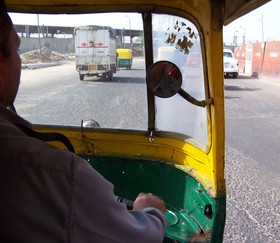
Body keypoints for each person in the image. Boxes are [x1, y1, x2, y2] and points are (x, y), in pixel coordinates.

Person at [0, 1, 166, 242]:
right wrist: (149, 211)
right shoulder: (58, 174)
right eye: (15, 50)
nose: (20, 62)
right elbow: (139, 238)